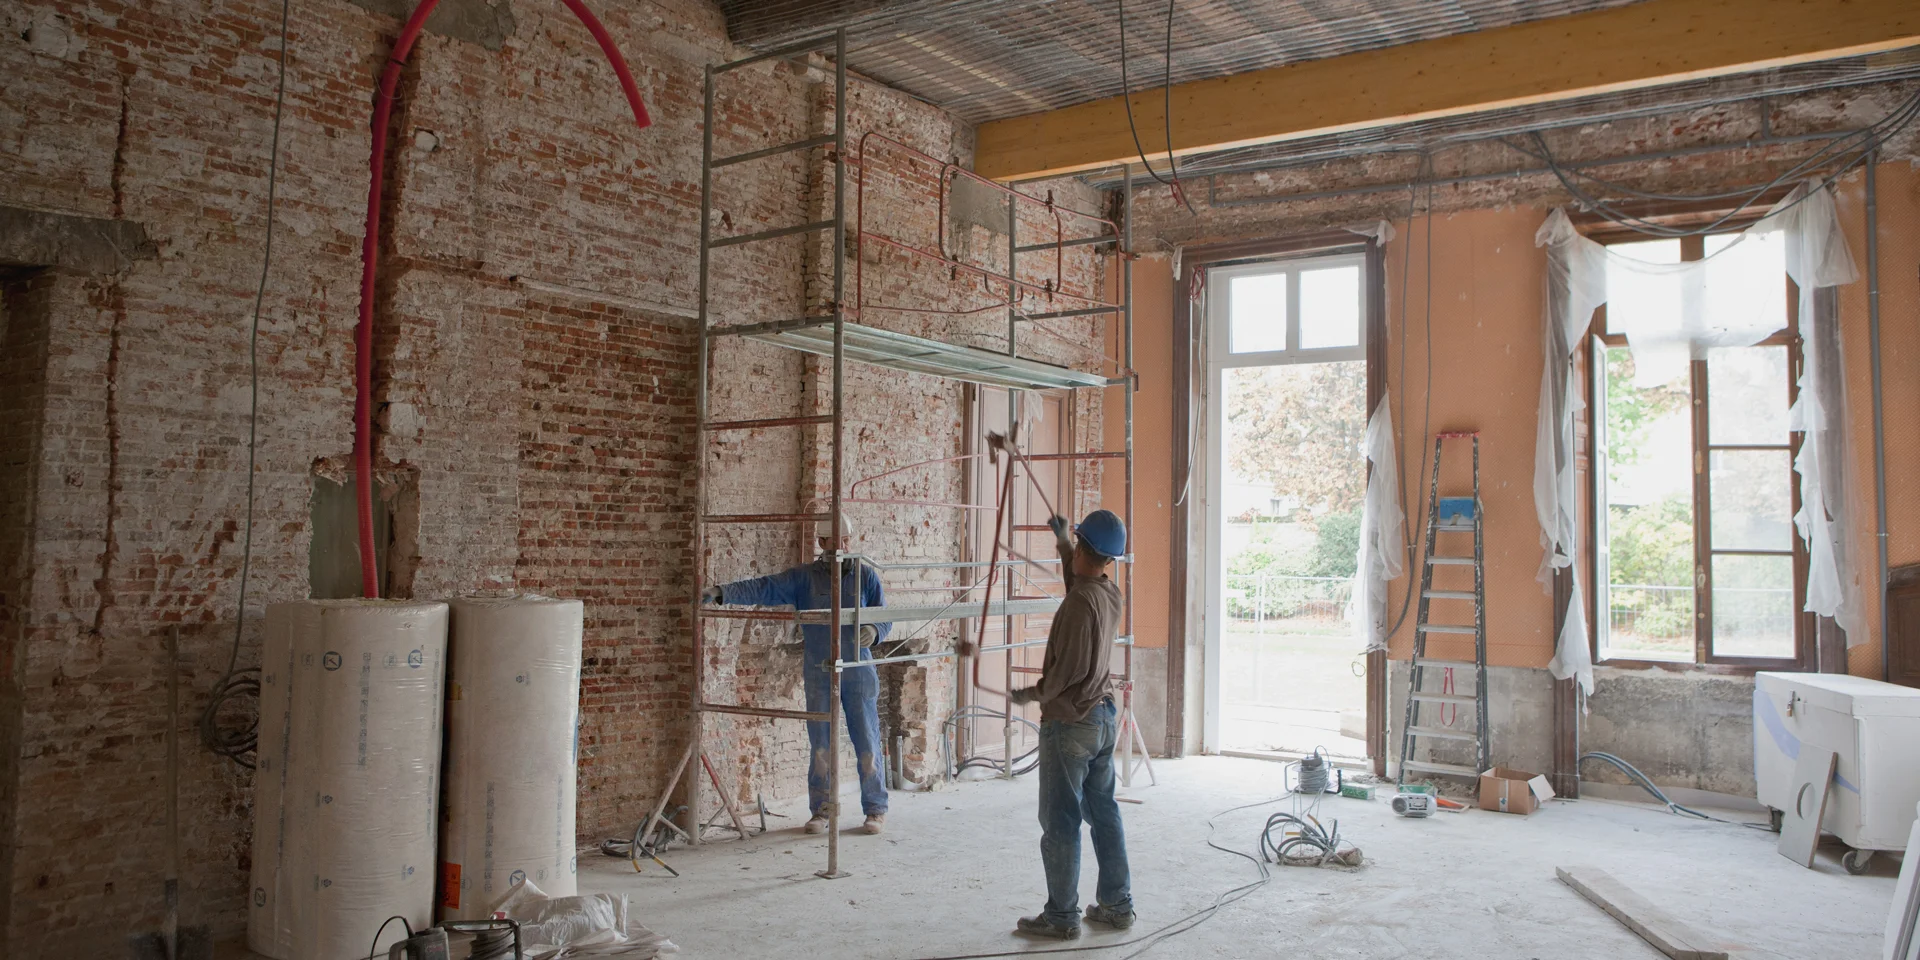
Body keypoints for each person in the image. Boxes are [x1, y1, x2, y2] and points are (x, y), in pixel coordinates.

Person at [701, 515, 890, 835]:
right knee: (821, 745)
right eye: (836, 541)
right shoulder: (804, 578)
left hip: (858, 670)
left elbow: (883, 614)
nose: (843, 546)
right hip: (820, 670)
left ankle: (875, 810)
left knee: (867, 740)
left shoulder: (864, 575)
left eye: (846, 541)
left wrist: (874, 629)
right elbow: (765, 587)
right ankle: (823, 811)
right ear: (822, 543)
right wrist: (722, 592)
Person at [1008, 508, 1132, 939]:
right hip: (1101, 718)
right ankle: (1117, 904)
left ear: (1085, 549)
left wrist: (1031, 693)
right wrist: (1062, 540)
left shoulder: (1080, 604)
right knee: (1103, 812)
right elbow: (1076, 580)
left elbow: (1067, 674)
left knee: (1060, 821)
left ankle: (1062, 916)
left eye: (1075, 543)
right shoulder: (1107, 591)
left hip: (1072, 722)